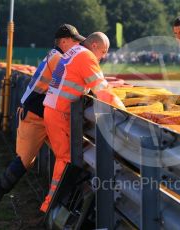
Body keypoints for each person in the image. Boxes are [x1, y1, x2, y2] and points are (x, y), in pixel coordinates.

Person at [0, 24, 84, 208]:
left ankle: (62, 202)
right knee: (25, 161)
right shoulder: (59, 58)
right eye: (75, 42)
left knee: (65, 156)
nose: (77, 47)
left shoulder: (55, 55)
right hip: (36, 114)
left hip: (41, 113)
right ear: (64, 41)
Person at [40, 32, 125, 212]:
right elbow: (102, 89)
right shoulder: (86, 56)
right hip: (59, 113)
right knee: (66, 159)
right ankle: (50, 207)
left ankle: (55, 204)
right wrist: (122, 110)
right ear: (94, 46)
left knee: (65, 158)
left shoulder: (75, 51)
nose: (103, 57)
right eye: (103, 52)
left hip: (54, 110)